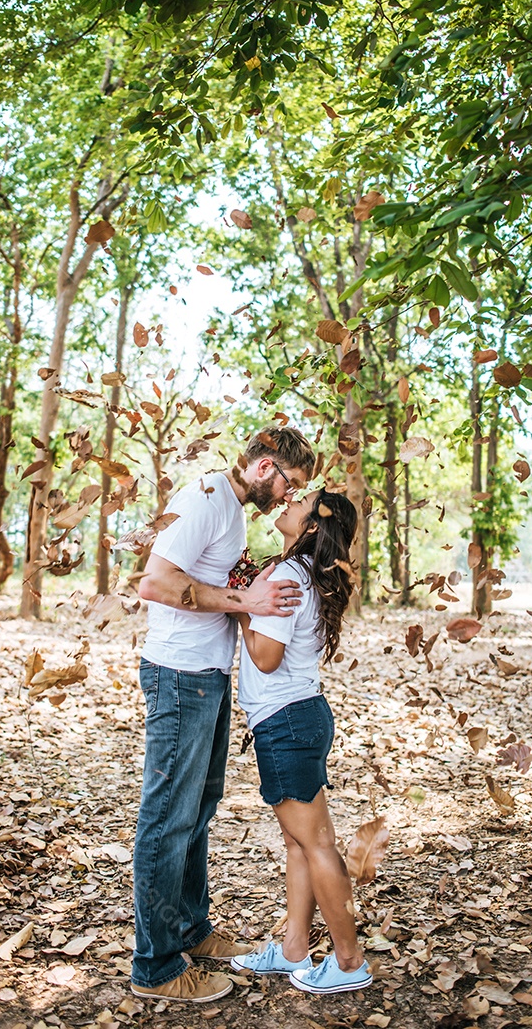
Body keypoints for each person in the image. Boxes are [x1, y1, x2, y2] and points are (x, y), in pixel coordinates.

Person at [131, 426, 315, 1003]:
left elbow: (210, 581)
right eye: (289, 484)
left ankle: (191, 929)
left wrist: (244, 585)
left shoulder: (231, 511)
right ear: (264, 467)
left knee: (197, 810)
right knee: (168, 817)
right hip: (178, 674)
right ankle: (157, 967)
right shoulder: (205, 499)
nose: (289, 497)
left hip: (207, 676)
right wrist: (246, 600)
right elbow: (155, 582)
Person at [230, 488, 373, 995]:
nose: (287, 502)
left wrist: (242, 607)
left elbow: (266, 658)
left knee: (315, 844)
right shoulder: (307, 573)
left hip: (286, 721)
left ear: (312, 526)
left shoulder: (289, 575)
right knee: (300, 842)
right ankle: (294, 950)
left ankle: (349, 962)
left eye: (300, 501)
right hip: (300, 715)